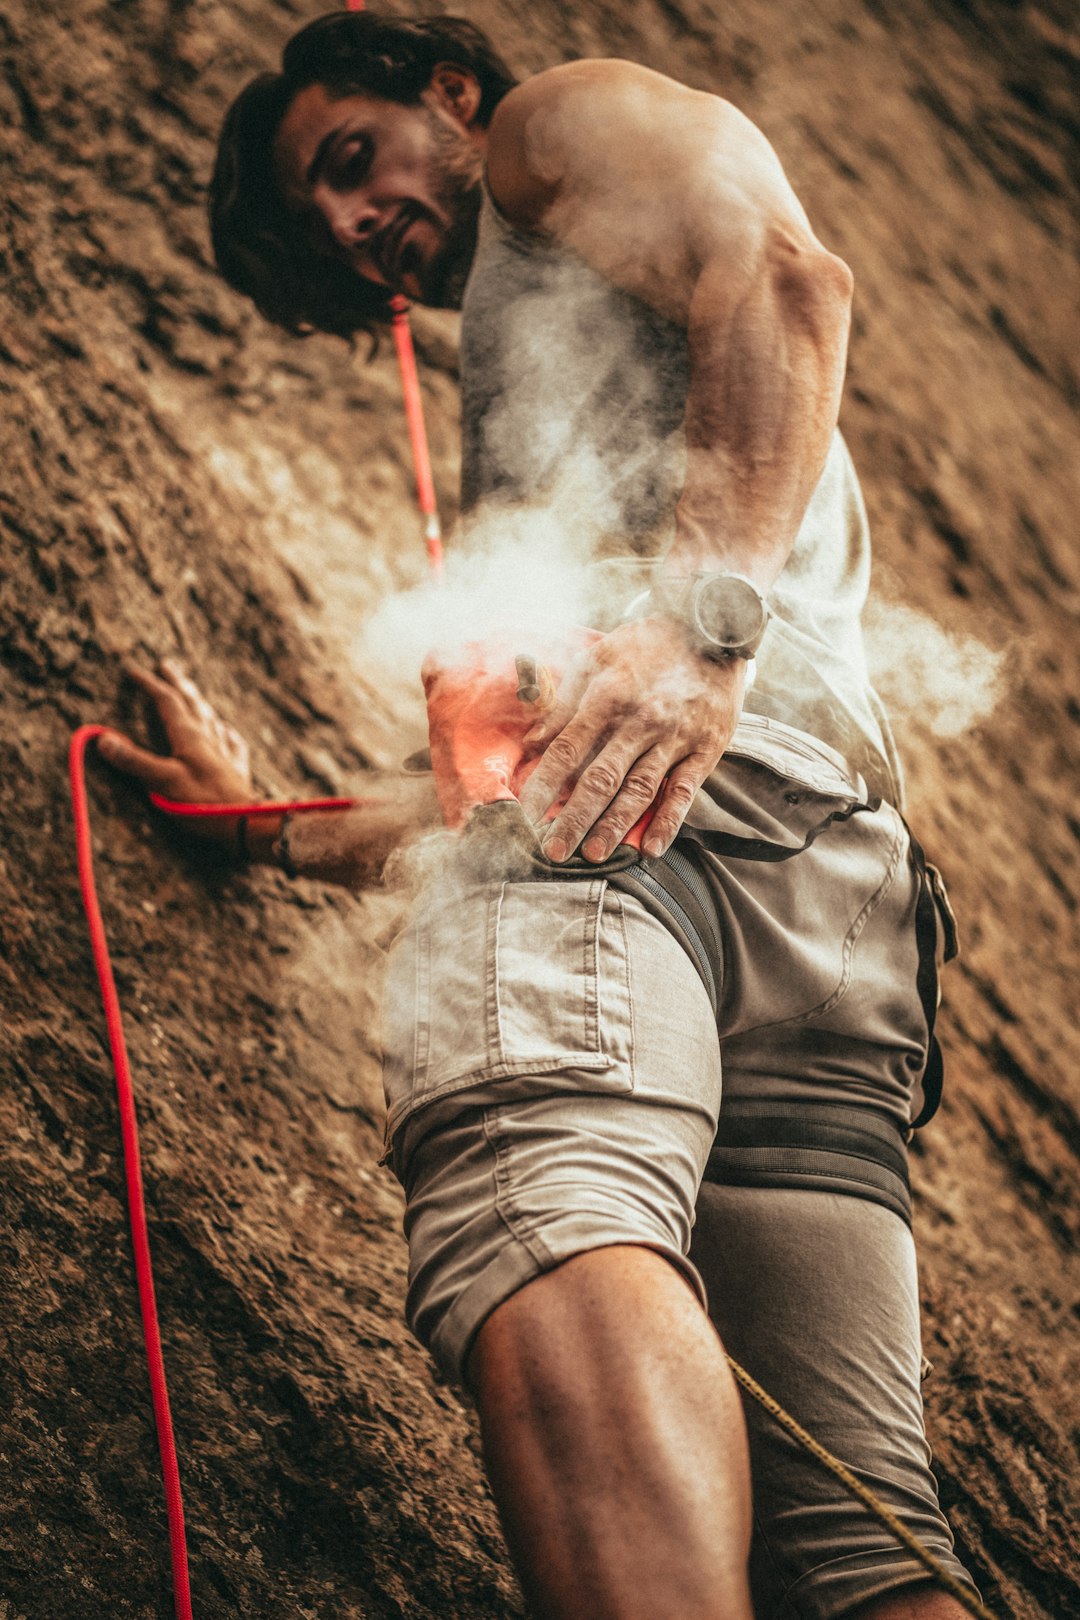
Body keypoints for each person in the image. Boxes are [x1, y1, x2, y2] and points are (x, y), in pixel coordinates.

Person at [100, 12, 982, 1619]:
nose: (357, 216)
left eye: (351, 155)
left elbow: (791, 281)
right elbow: (523, 775)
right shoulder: (582, 370)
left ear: (449, 88)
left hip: (656, 826)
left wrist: (698, 626)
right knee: (860, 1540)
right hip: (839, 907)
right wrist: (254, 824)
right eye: (327, 216)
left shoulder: (553, 129)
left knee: (538, 1202)